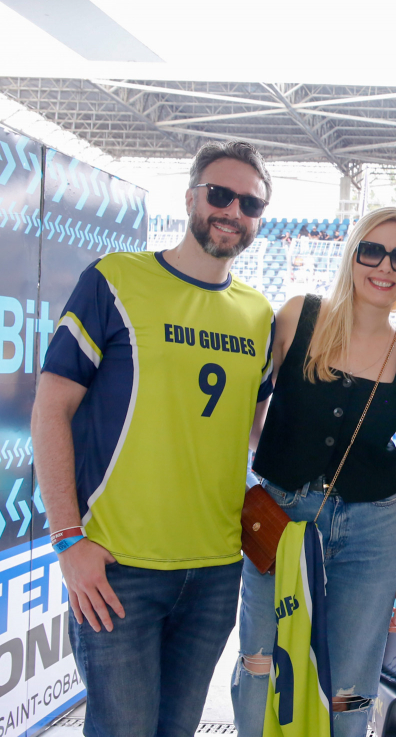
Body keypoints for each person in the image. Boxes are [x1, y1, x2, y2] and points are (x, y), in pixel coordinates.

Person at [32, 141, 276, 737]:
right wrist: (68, 539)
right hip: (120, 568)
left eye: (249, 203)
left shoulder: (259, 315)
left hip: (216, 572)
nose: (232, 211)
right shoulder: (115, 280)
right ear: (191, 196)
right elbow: (50, 409)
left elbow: (253, 434)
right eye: (220, 194)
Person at [231, 207, 396, 736]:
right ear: (352, 254)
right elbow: (248, 419)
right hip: (281, 517)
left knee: (349, 684)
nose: (385, 266)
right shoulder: (300, 316)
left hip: (370, 532)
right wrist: (269, 479)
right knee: (259, 659)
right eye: (373, 250)